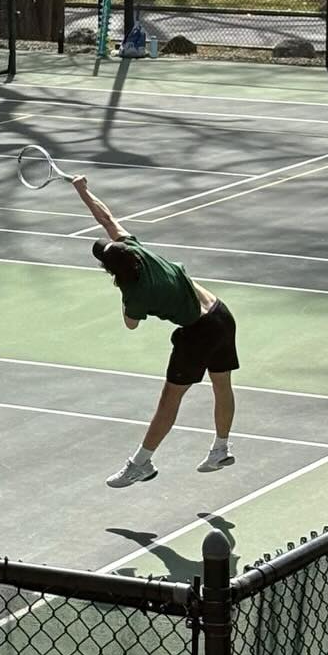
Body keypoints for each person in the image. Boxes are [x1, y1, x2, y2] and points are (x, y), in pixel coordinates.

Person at [71, 176, 237, 487]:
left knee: (169, 401)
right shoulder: (134, 248)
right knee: (222, 384)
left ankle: (141, 463)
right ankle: (221, 448)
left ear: (112, 271)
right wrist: (83, 189)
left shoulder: (134, 293)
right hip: (221, 314)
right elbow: (106, 218)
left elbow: (131, 323)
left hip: (198, 333)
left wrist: (122, 295)